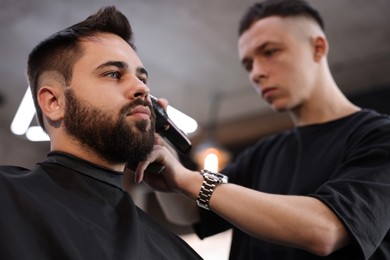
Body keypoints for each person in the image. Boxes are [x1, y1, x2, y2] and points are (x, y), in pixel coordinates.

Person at [134, 0, 390, 259]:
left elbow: (325, 230)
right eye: (248, 64)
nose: (256, 73)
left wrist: (190, 180)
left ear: (317, 47)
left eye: (270, 52)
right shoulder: (264, 154)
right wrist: (163, 157)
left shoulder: (379, 137)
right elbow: (190, 213)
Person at [0, 6, 203, 260]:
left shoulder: (179, 252)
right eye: (113, 74)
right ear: (54, 102)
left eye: (143, 79)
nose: (141, 89)